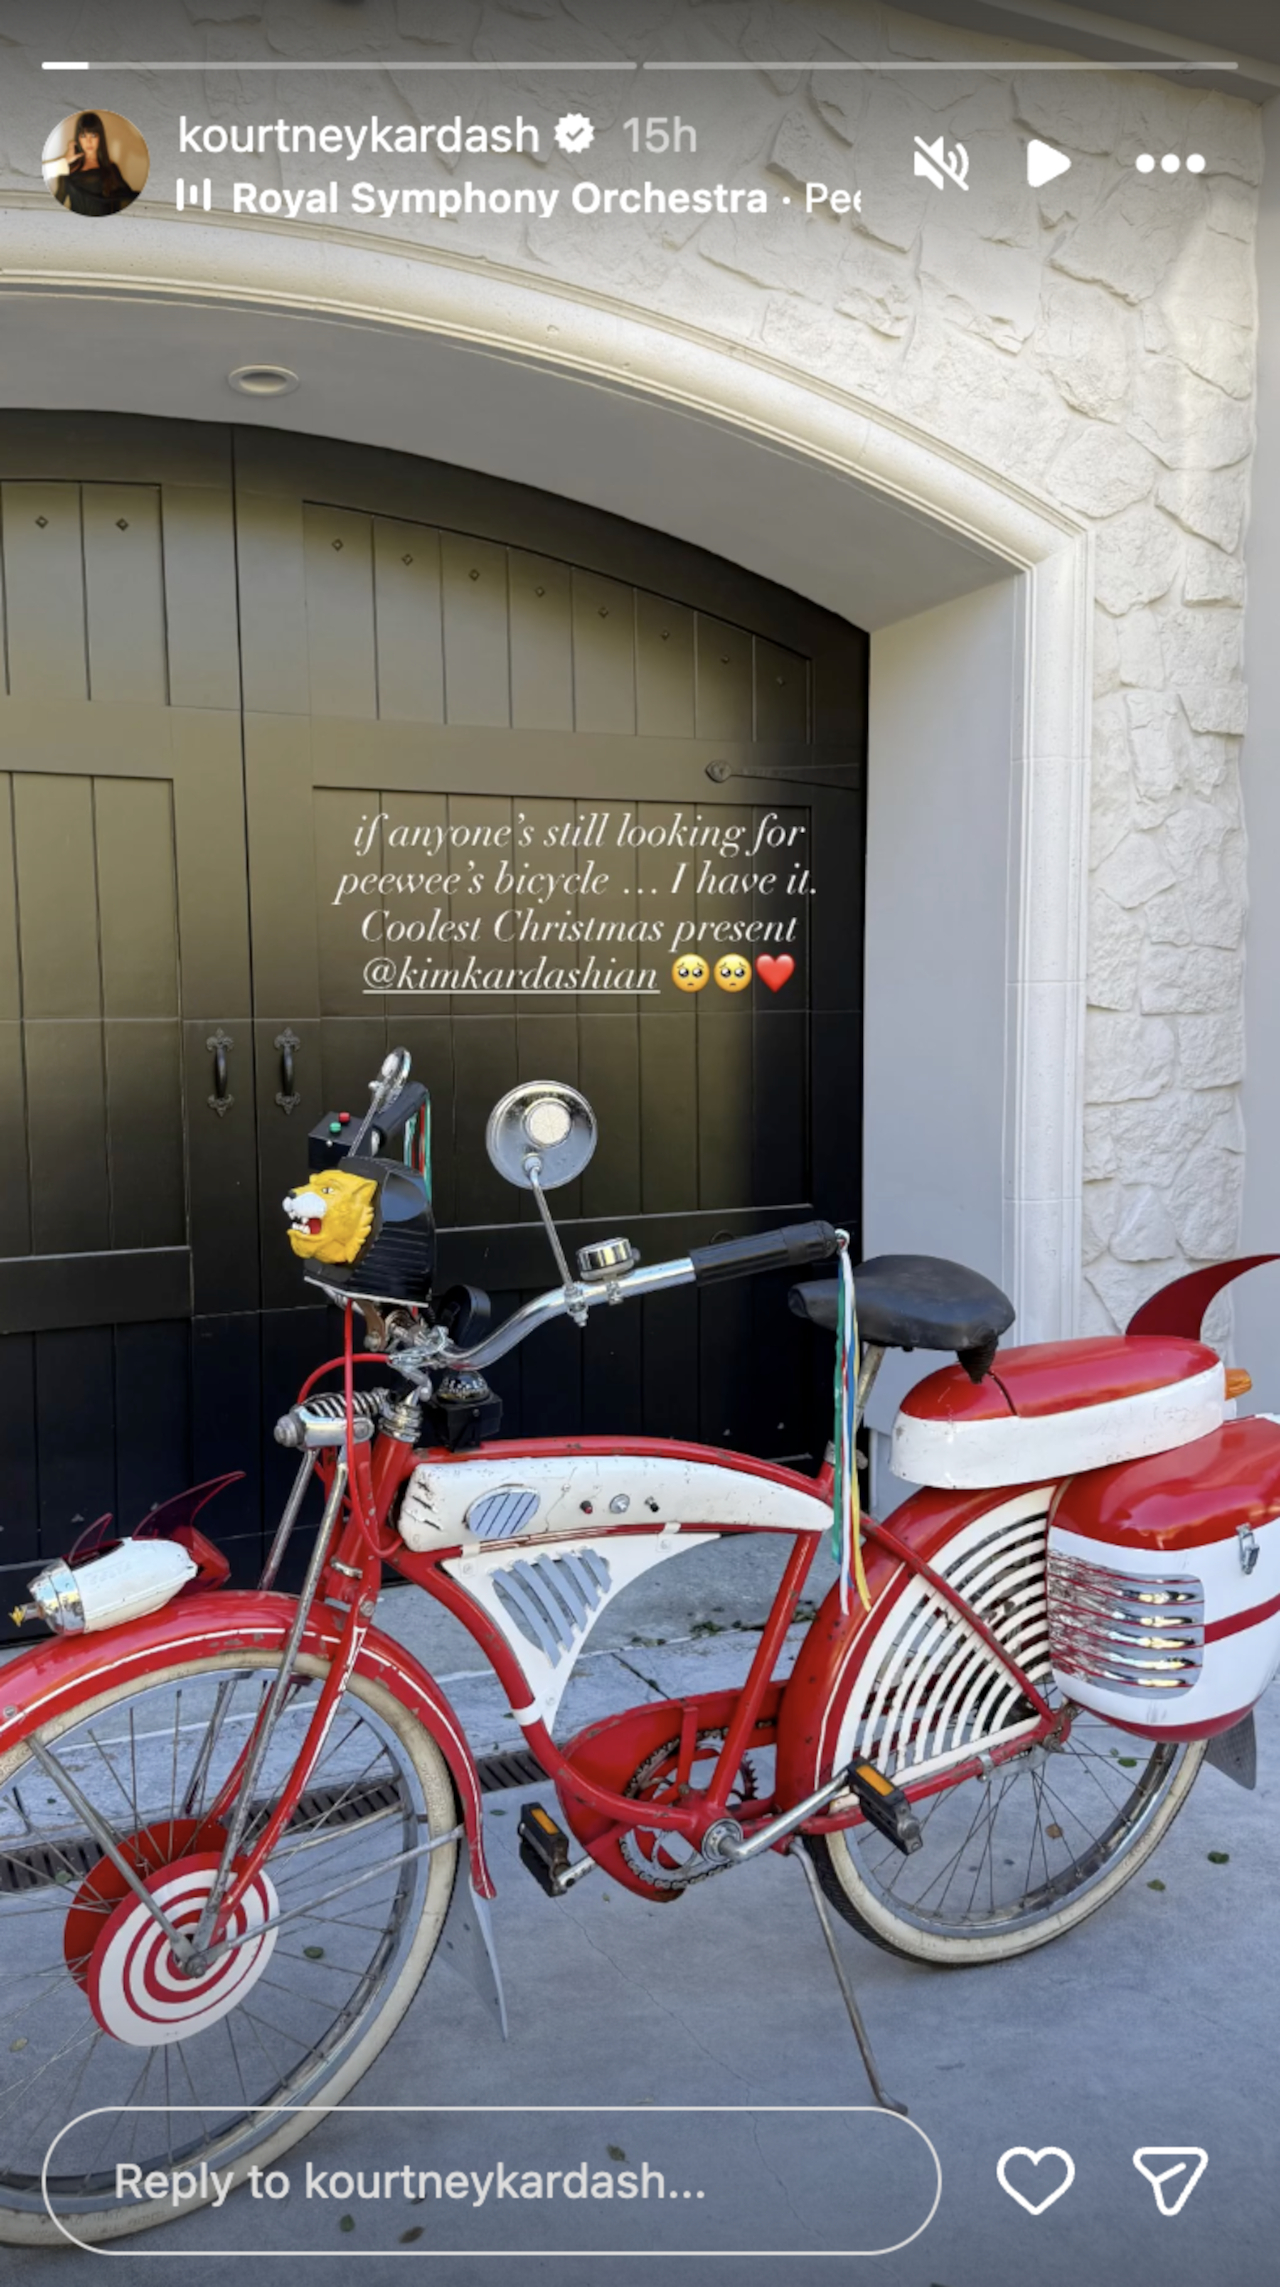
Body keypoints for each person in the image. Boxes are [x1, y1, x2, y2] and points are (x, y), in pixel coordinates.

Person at [52, 114, 138, 217]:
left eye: (93, 135)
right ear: (78, 139)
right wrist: (64, 162)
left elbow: (128, 200)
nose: (89, 141)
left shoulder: (111, 169)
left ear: (100, 138)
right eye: (83, 136)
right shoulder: (67, 168)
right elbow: (56, 204)